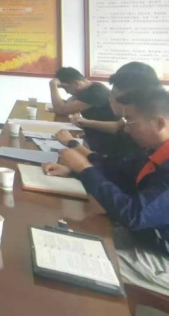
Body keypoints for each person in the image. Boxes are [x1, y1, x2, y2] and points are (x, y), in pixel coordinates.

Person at [43, 87, 169, 296]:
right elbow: (117, 171)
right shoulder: (154, 150)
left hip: (160, 255)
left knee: (74, 265)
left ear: (159, 123)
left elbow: (134, 215)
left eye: (131, 122)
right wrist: (75, 172)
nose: (126, 129)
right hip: (144, 237)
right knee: (65, 237)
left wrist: (84, 168)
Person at [55, 63, 159, 158]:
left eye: (113, 95)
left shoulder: (142, 139)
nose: (109, 99)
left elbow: (109, 166)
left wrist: (73, 143)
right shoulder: (134, 120)